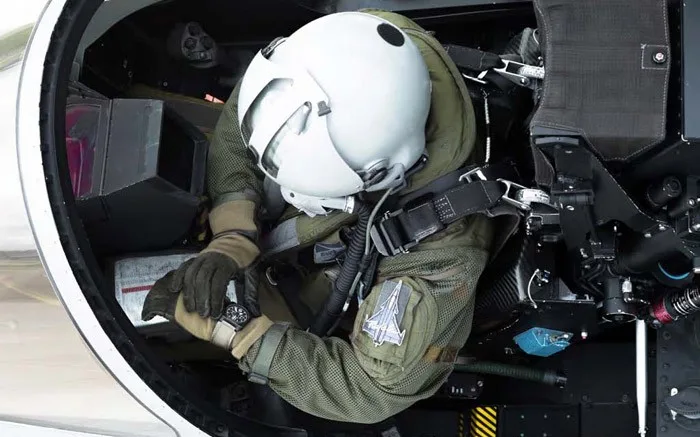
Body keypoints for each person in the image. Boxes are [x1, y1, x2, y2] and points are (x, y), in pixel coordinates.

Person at [142, 9, 494, 424]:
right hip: (294, 239)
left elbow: (372, 391)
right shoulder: (358, 42)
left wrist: (239, 332)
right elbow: (254, 106)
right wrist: (232, 231)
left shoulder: (442, 259)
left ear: (377, 178)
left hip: (314, 286)